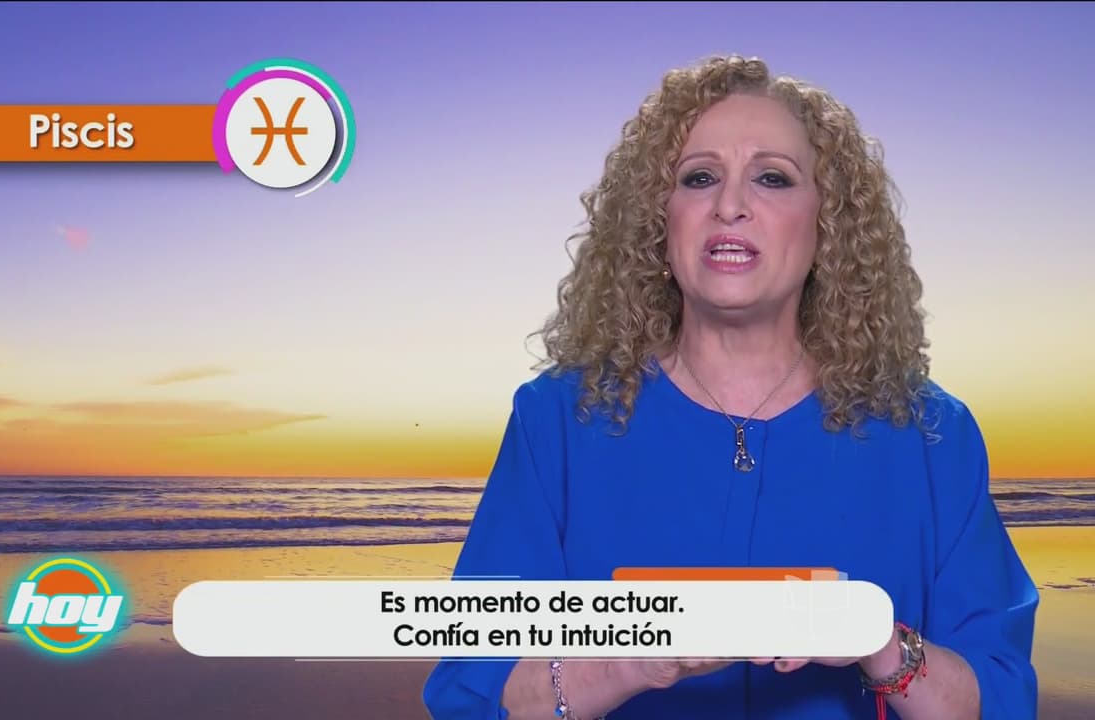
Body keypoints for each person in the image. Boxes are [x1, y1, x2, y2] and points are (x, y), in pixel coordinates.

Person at [422, 55, 1038, 719]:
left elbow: (999, 696)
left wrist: (881, 645)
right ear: (657, 222)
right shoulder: (557, 421)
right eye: (699, 177)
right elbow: (471, 689)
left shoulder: (930, 435)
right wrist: (631, 660)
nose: (729, 206)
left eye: (772, 177)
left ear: (828, 226)